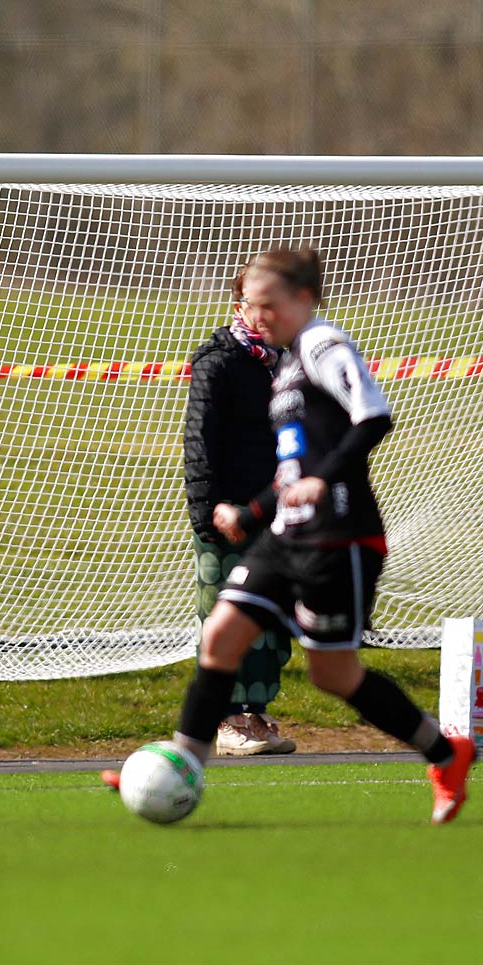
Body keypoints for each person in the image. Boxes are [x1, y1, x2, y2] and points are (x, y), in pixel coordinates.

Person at [107, 247, 475, 823]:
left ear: (303, 299)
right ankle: (182, 764)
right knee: (221, 637)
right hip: (285, 535)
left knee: (335, 675)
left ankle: (445, 752)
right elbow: (294, 472)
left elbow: (374, 417)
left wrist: (323, 481)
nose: (255, 315)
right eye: (249, 304)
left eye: (266, 304)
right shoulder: (282, 365)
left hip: (340, 538)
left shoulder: (326, 346)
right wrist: (249, 513)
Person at [183, 266, 295, 755]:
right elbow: (198, 442)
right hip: (226, 516)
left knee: (270, 617)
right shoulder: (218, 361)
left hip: (277, 512)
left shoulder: (291, 361)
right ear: (239, 307)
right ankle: (227, 721)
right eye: (259, 303)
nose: (269, 313)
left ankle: (259, 713)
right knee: (225, 615)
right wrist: (206, 512)